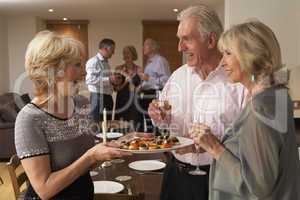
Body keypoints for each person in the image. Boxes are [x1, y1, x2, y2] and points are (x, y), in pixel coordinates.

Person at [190, 20, 300, 200]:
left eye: (228, 53)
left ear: (251, 55)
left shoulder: (260, 108)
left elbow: (259, 186)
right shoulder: (277, 95)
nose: (222, 62)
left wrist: (215, 148)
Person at [14, 31, 130, 200]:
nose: (84, 73)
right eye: (77, 65)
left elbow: (88, 161)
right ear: (51, 69)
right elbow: (44, 190)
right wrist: (91, 156)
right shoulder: (30, 118)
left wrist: (123, 143)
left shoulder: (81, 103)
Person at [148, 5, 246, 200]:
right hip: (176, 175)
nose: (180, 47)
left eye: (187, 39)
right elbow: (163, 118)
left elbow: (247, 143)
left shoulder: (238, 82)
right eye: (179, 39)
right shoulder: (177, 76)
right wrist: (158, 115)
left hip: (219, 179)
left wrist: (210, 144)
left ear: (210, 40)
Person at [139, 38, 171, 132]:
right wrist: (141, 86)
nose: (143, 47)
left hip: (154, 95)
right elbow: (149, 80)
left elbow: (166, 80)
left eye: (146, 45)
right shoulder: (149, 62)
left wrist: (148, 78)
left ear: (153, 47)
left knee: (155, 124)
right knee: (148, 123)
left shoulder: (160, 60)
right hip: (145, 94)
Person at [86, 38, 116, 122]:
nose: (113, 52)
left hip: (107, 97)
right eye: (112, 50)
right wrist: (109, 79)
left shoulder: (106, 63)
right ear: (105, 48)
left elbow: (105, 81)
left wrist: (113, 82)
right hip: (98, 98)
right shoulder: (93, 61)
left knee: (107, 125)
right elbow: (89, 80)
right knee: (98, 125)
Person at [114, 45, 143, 122]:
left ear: (133, 54)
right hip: (121, 101)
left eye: (128, 53)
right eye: (124, 53)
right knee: (120, 125)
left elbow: (142, 87)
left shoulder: (139, 69)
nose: (126, 55)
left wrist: (139, 88)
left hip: (135, 101)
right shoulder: (119, 68)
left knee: (135, 123)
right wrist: (126, 82)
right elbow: (116, 89)